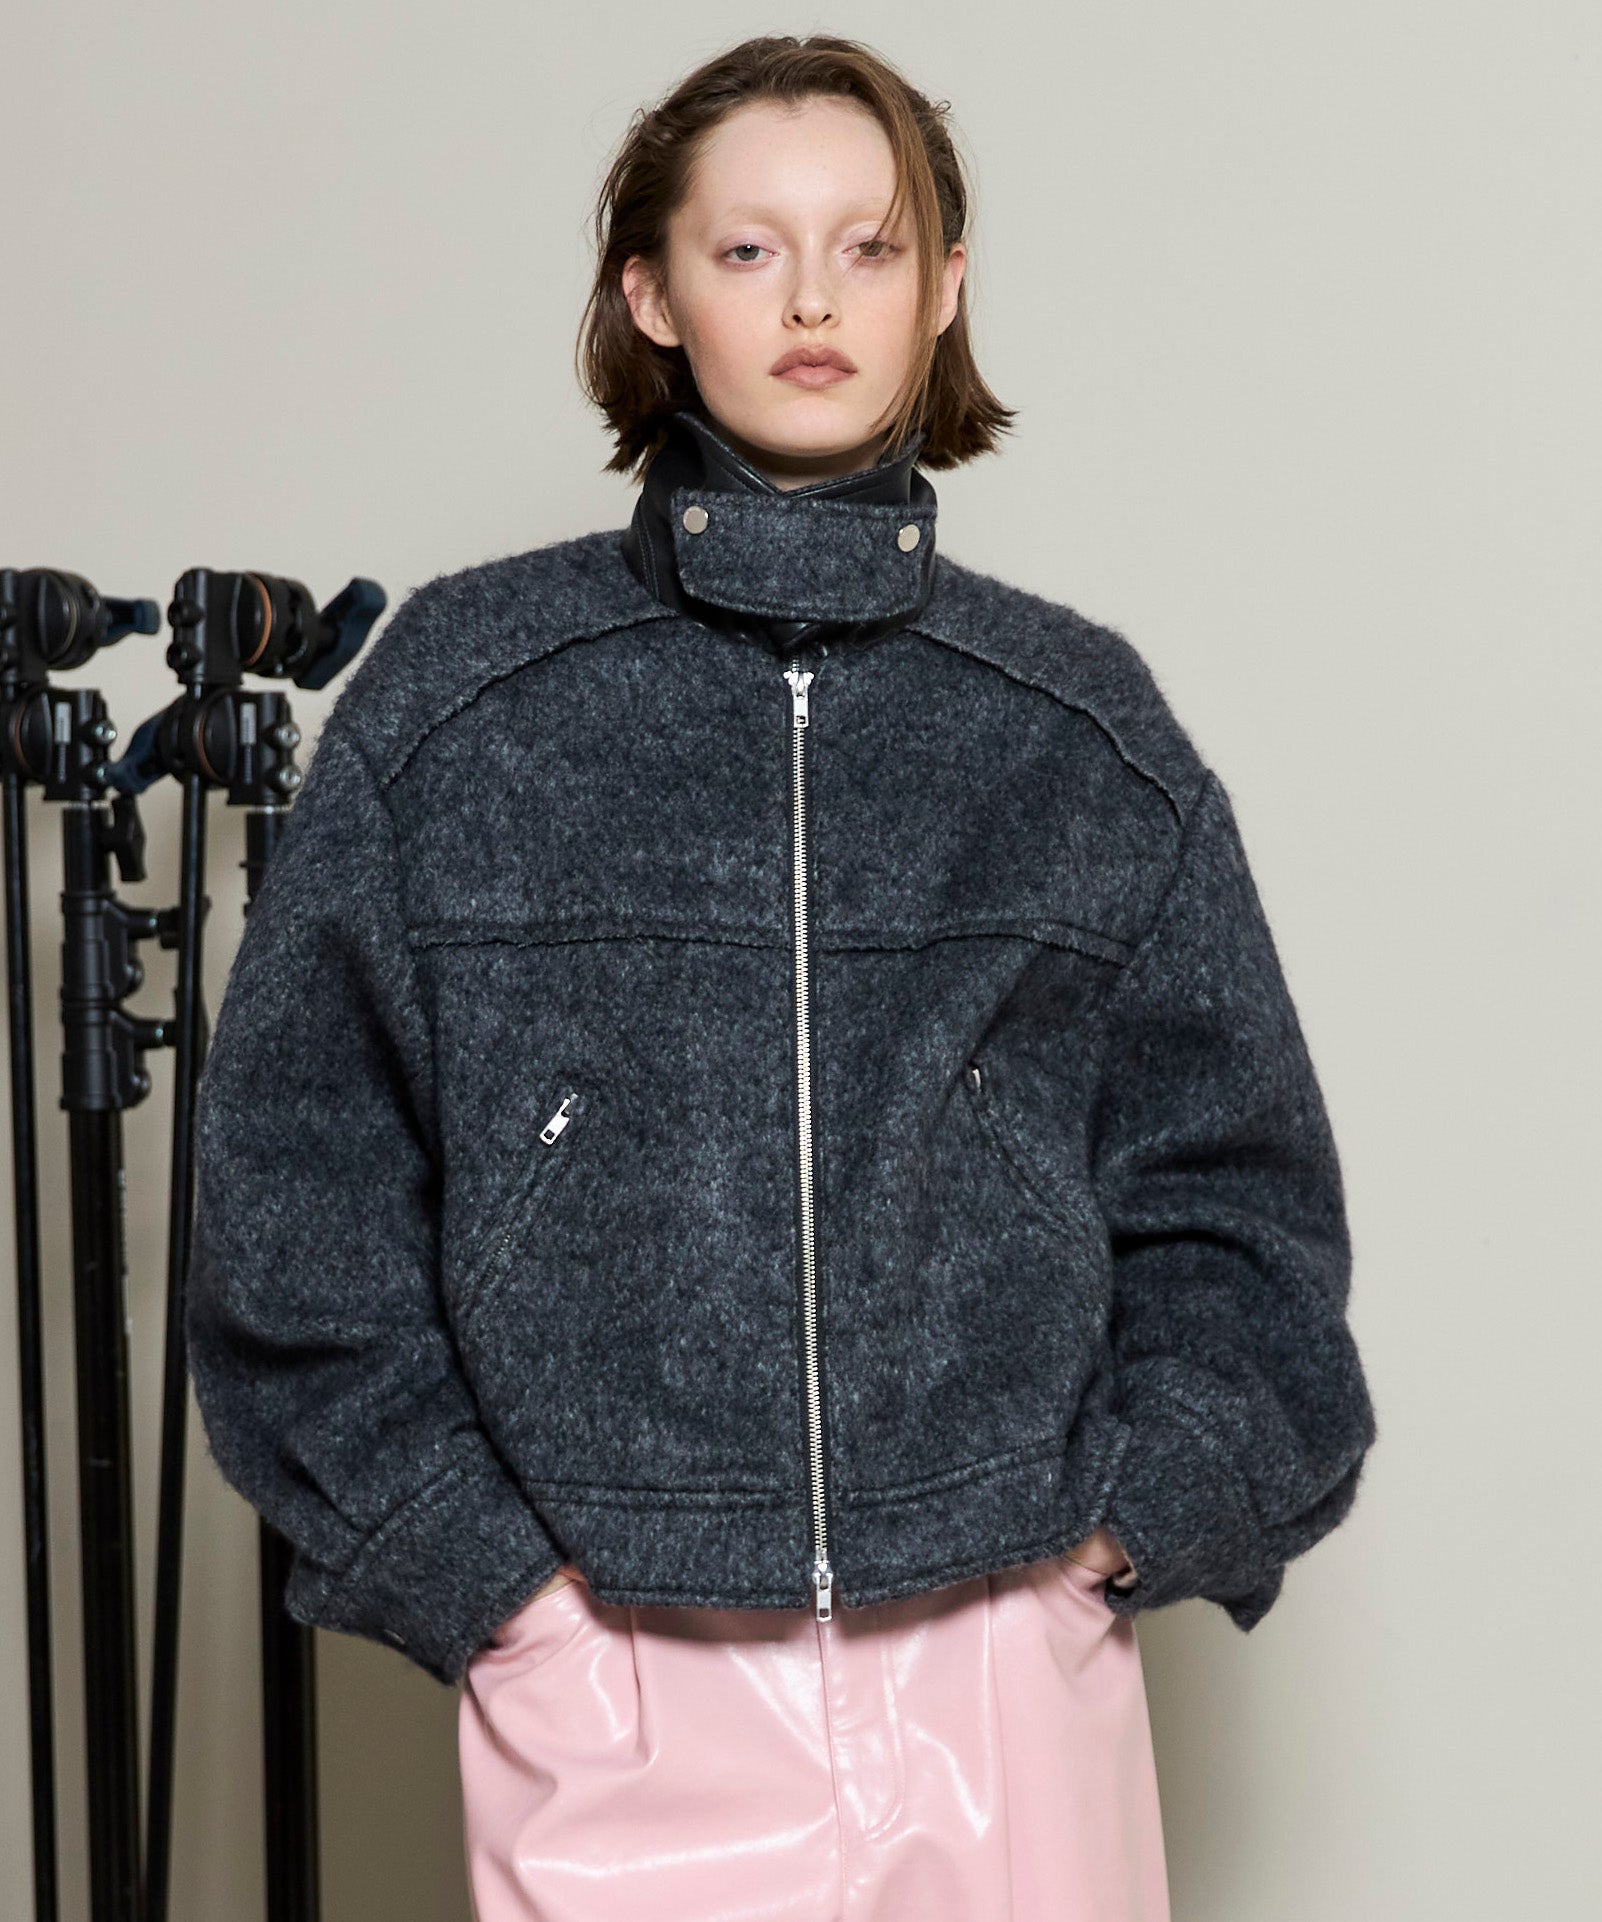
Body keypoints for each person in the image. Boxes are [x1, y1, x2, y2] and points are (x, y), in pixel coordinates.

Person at [185, 33, 1377, 1922]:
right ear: (651, 294)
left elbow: (1239, 1204)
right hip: (611, 1666)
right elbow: (292, 1199)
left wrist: (1121, 1533)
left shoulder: (1077, 731)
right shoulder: (466, 703)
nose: (814, 300)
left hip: (1003, 1656)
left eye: (868, 247)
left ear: (944, 290)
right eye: (748, 250)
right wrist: (492, 1592)